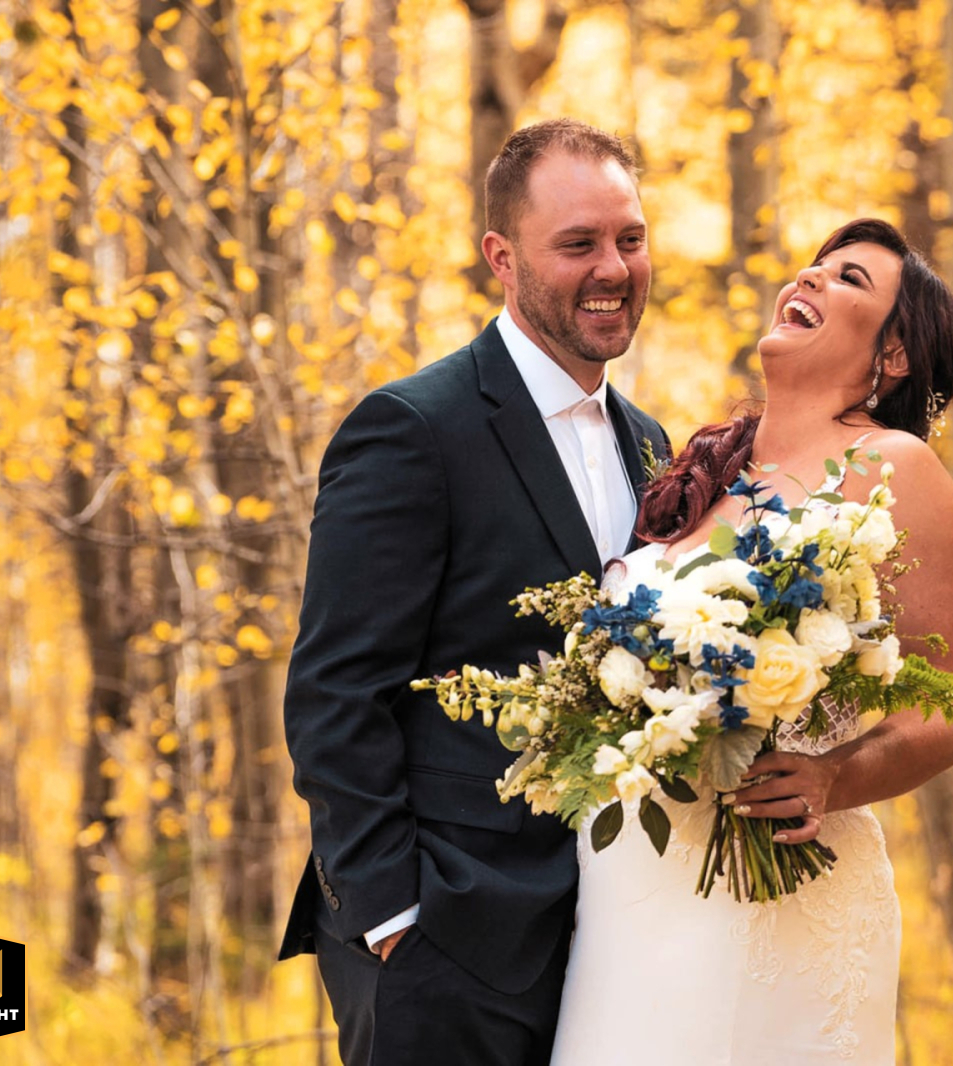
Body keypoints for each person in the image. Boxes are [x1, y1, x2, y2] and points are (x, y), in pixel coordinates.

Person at [279, 118, 671, 1066]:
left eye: (629, 238)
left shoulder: (650, 443)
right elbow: (336, 692)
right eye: (577, 244)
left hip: (609, 943)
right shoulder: (412, 428)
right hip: (444, 941)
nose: (613, 268)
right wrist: (392, 916)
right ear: (502, 257)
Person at [548, 218, 953, 1065]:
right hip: (630, 889)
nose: (810, 278)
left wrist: (834, 774)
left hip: (775, 883)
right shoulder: (703, 467)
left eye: (849, 278)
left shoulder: (894, 469)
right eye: (814, 267)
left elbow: (949, 710)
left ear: (893, 354)